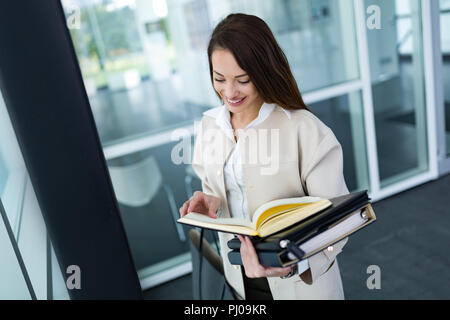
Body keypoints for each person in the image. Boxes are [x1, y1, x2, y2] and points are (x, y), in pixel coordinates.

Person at [179, 13, 349, 300]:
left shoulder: (304, 129)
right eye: (219, 78)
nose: (229, 92)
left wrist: (293, 263)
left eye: (242, 80)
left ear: (263, 71)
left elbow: (339, 223)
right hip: (239, 278)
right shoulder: (210, 125)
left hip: (298, 282)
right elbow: (223, 189)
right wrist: (211, 200)